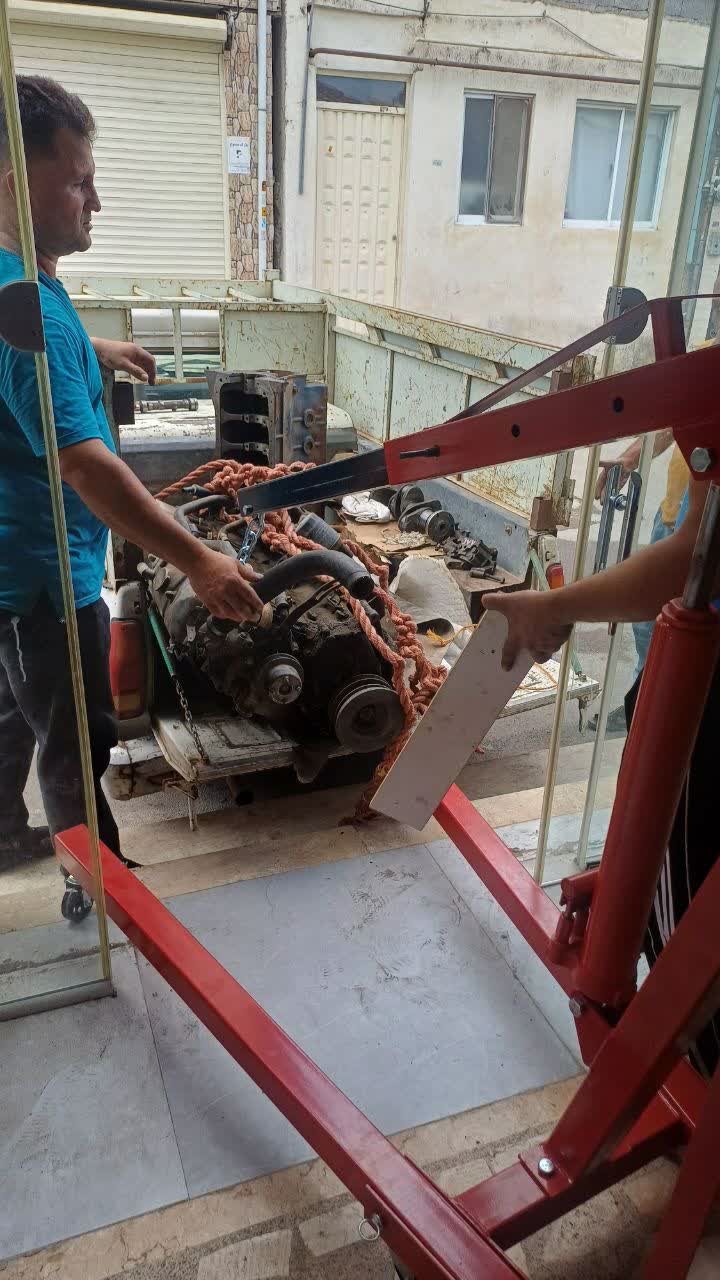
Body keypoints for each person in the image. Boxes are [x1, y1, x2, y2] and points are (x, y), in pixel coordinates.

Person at [0, 76, 262, 873]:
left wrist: (95, 350)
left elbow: (30, 359)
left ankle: (4, 835)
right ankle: (104, 895)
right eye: (78, 182)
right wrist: (199, 559)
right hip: (46, 582)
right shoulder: (29, 311)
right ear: (14, 185)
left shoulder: (20, 287)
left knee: (15, 712)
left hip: (11, 572)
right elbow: (86, 466)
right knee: (76, 746)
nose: (97, 202)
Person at [483, 473, 718, 1077]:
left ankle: (689, 1075)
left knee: (686, 927)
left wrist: (555, 607)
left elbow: (698, 559)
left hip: (707, 680)